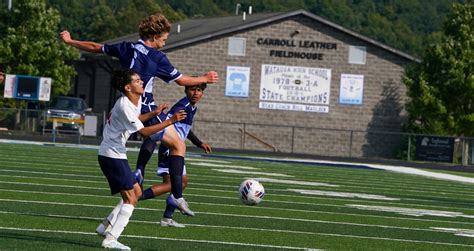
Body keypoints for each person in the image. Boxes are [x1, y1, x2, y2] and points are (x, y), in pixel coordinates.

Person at [60, 14, 218, 217]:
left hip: (127, 105)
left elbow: (95, 47)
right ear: (154, 35)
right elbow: (181, 80)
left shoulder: (126, 48)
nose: (163, 43)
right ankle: (175, 195)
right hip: (144, 106)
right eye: (163, 39)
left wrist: (71, 41)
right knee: (176, 144)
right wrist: (204, 78)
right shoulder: (156, 57)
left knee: (154, 141)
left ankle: (143, 173)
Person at [96, 68, 186, 250]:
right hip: (112, 156)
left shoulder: (132, 101)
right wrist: (170, 121)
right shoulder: (124, 105)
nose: (141, 82)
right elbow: (144, 132)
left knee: (135, 193)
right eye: (137, 80)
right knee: (131, 199)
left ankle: (105, 226)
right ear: (128, 87)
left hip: (115, 154)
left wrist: (154, 113)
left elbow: (136, 120)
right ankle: (111, 238)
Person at [139, 83, 211, 228]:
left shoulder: (191, 107)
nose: (196, 93)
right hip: (170, 149)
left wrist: (199, 143)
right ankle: (136, 197)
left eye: (199, 90)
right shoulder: (182, 106)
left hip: (176, 149)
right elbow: (167, 124)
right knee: (171, 184)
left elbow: (186, 129)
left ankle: (167, 217)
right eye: (192, 89)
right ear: (186, 90)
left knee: (181, 183)